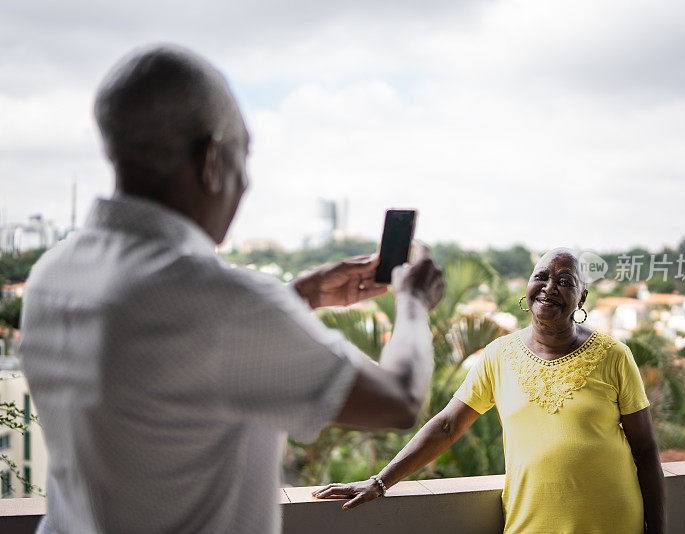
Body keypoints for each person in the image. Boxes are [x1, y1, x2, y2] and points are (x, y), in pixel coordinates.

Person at [19, 44, 444, 534]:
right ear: (212, 159)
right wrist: (411, 302)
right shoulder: (216, 303)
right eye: (244, 153)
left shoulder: (55, 274)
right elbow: (398, 400)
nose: (245, 183)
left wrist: (295, 298)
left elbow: (174, 365)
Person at [313, 248, 666, 534]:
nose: (550, 287)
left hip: (614, 523)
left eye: (564, 281)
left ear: (582, 297)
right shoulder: (499, 355)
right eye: (540, 277)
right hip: (530, 525)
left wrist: (658, 529)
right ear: (526, 288)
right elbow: (448, 425)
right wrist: (379, 482)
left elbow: (646, 450)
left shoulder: (614, 356)